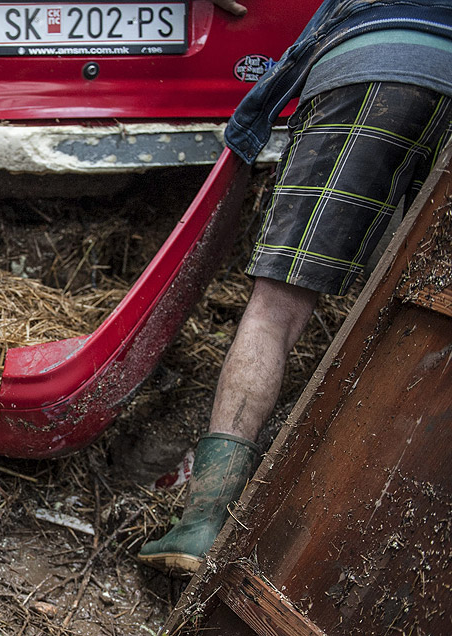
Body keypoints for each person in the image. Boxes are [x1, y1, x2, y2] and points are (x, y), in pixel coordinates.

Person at [139, 0, 452, 573]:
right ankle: (343, 547)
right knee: (423, 318)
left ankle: (202, 525)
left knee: (276, 310)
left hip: (378, 61)